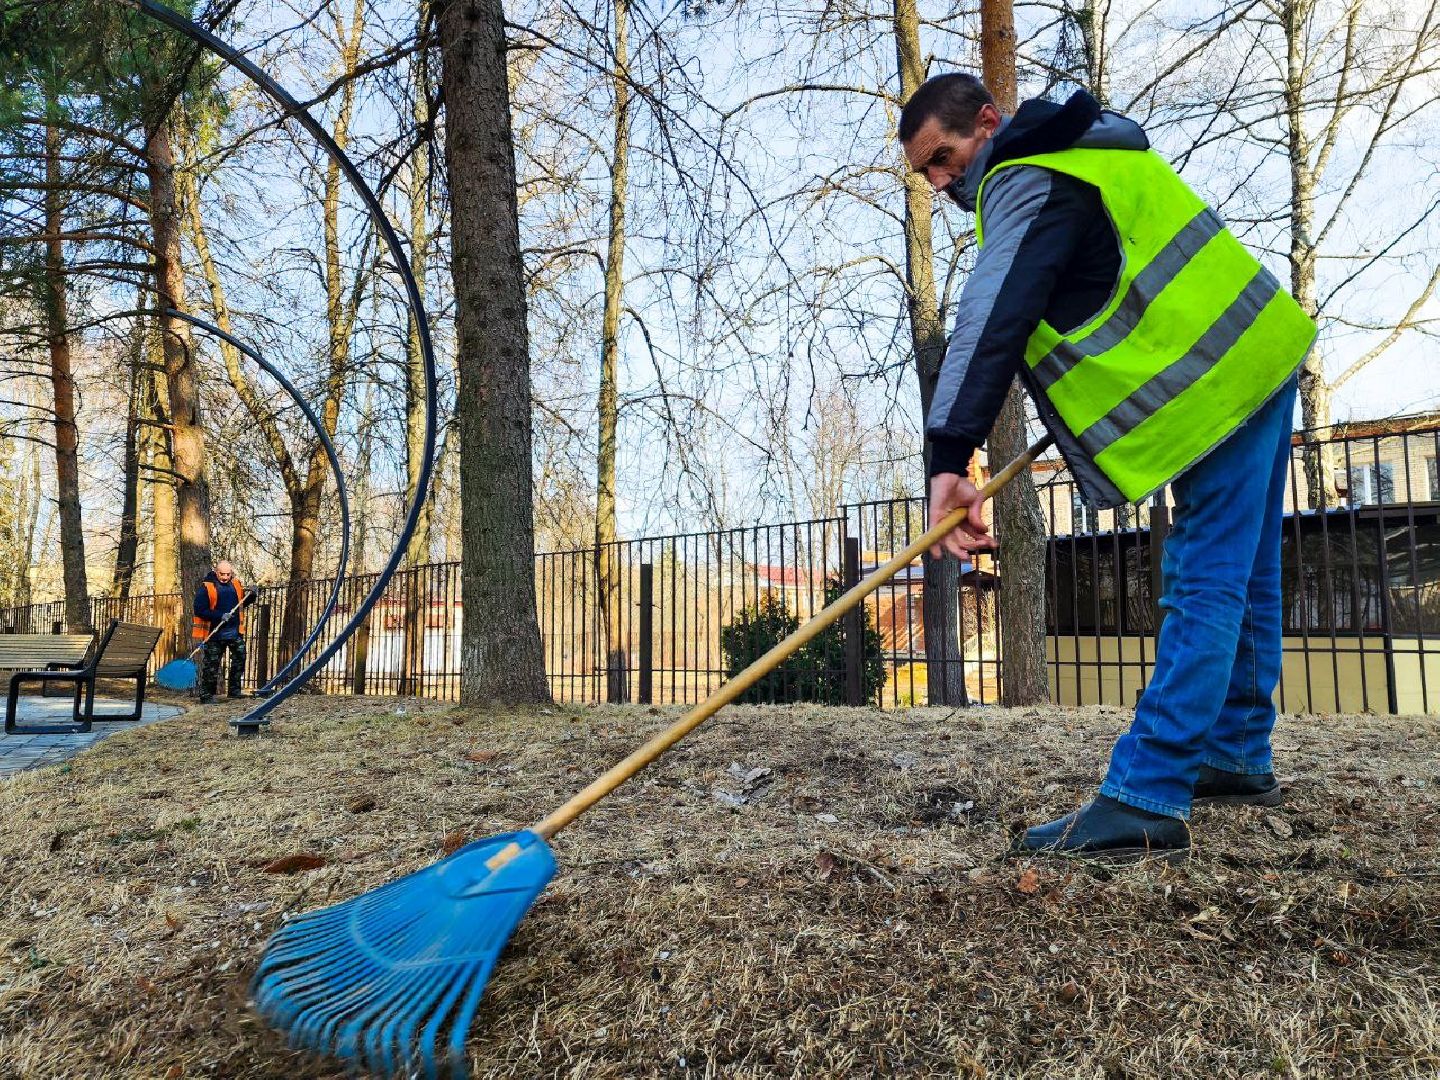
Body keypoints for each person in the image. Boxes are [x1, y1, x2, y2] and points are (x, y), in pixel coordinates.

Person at [898, 75, 1316, 861]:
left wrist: (948, 454)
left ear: (989, 122)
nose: (944, 183)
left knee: (1204, 577)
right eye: (929, 173)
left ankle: (1146, 794)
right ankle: (1233, 753)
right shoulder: (1087, 156)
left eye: (946, 159)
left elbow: (990, 316)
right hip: (1257, 348)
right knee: (1246, 571)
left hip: (1219, 376)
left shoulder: (1028, 173)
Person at [193, 559, 248, 704]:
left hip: (234, 632)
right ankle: (206, 696)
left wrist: (253, 595)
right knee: (212, 666)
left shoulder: (236, 584)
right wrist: (220, 615)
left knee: (240, 657)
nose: (224, 577)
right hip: (214, 634)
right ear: (216, 572)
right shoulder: (207, 587)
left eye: (228, 574)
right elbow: (199, 610)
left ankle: (234, 691)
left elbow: (243, 603)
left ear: (231, 573)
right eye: (222, 574)